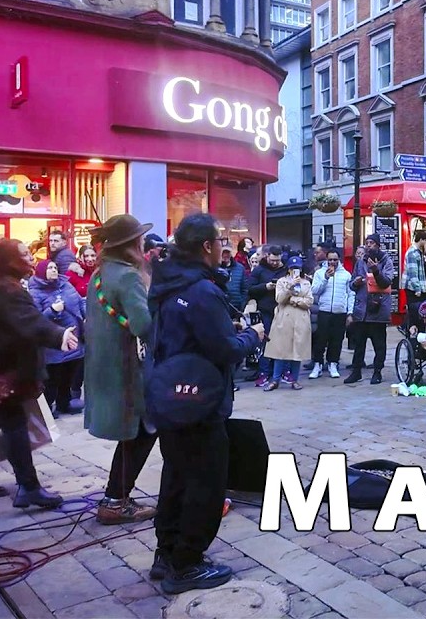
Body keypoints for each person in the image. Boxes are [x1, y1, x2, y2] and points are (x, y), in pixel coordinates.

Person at [146, 213, 263, 594]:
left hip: (170, 396)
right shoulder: (201, 292)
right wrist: (253, 337)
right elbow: (224, 348)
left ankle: (167, 554)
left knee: (176, 477)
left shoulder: (167, 281)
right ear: (205, 247)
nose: (222, 247)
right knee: (206, 484)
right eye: (218, 240)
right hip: (200, 403)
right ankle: (187, 562)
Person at [0, 240, 78, 509]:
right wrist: (59, 335)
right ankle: (29, 487)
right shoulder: (5, 290)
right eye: (24, 255)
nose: (31, 258)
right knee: (15, 427)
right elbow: (27, 321)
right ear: (9, 261)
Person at [84, 214, 159, 525]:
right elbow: (144, 325)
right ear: (132, 245)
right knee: (140, 432)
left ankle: (116, 496)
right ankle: (115, 500)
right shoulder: (128, 276)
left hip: (104, 367)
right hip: (126, 369)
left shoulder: (101, 273)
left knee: (134, 433)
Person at [29, 260, 86, 417]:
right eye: (49, 268)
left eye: (55, 267)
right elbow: (35, 318)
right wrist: (52, 310)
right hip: (54, 343)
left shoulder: (66, 285)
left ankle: (64, 403)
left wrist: (86, 315)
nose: (53, 270)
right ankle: (47, 408)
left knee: (68, 375)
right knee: (52, 378)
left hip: (74, 339)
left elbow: (79, 301)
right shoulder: (35, 292)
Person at [346, 236, 396, 385]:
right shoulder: (360, 261)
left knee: (379, 345)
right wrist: (355, 283)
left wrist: (375, 270)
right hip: (362, 311)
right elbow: (352, 285)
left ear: (378, 246)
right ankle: (356, 372)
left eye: (371, 243)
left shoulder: (386, 261)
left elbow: (386, 282)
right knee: (359, 344)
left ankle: (377, 372)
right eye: (367, 243)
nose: (368, 246)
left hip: (378, 310)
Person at [264, 256, 312, 391]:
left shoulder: (306, 283)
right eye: (292, 268)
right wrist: (290, 288)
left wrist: (294, 300)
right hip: (284, 319)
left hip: (300, 318)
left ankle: (294, 380)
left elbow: (309, 301)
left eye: (297, 268)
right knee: (280, 350)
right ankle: (275, 380)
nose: (295, 271)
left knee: (298, 351)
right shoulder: (282, 281)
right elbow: (279, 299)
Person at [246, 246, 288, 384]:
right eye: (273, 260)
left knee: (282, 342)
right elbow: (249, 290)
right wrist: (265, 287)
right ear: (267, 256)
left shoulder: (286, 269)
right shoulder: (259, 270)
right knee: (266, 342)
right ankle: (264, 372)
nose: (275, 263)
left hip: (283, 310)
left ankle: (281, 371)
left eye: (278, 260)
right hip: (266, 311)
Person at [309, 247, 353, 379]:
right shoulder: (319, 273)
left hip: (340, 312)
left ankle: (333, 363)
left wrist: (350, 313)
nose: (332, 262)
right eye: (330, 260)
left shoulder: (346, 274)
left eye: (335, 259)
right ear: (326, 260)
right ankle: (317, 364)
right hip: (324, 311)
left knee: (337, 339)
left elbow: (351, 294)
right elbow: (315, 290)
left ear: (339, 260)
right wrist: (326, 278)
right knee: (320, 339)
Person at [403, 230, 426, 329]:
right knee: (415, 312)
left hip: (416, 288)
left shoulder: (418, 252)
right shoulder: (413, 253)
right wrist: (417, 289)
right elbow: (413, 273)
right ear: (421, 240)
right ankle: (410, 330)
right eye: (425, 241)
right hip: (413, 289)